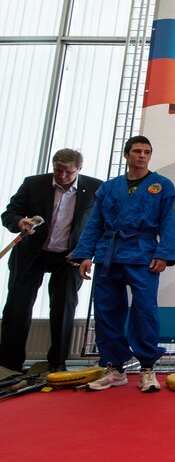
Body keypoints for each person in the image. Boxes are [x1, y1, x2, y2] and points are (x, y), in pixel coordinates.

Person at [71, 136, 175, 393]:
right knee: (107, 311)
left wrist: (164, 253)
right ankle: (114, 367)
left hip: (143, 254)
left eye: (147, 152)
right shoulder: (109, 188)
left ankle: (146, 367)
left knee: (144, 310)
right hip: (109, 254)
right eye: (137, 151)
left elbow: (169, 224)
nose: (142, 156)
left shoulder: (162, 186)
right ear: (126, 155)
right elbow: (94, 222)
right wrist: (85, 254)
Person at [0, 149, 102, 373]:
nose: (63, 176)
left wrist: (84, 251)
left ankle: (57, 365)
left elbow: (100, 225)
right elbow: (9, 213)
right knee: (17, 309)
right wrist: (19, 222)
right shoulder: (33, 184)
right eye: (58, 170)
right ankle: (9, 365)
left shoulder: (95, 188)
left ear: (79, 170)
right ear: (53, 166)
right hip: (31, 254)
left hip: (69, 258)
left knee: (63, 310)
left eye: (68, 172)